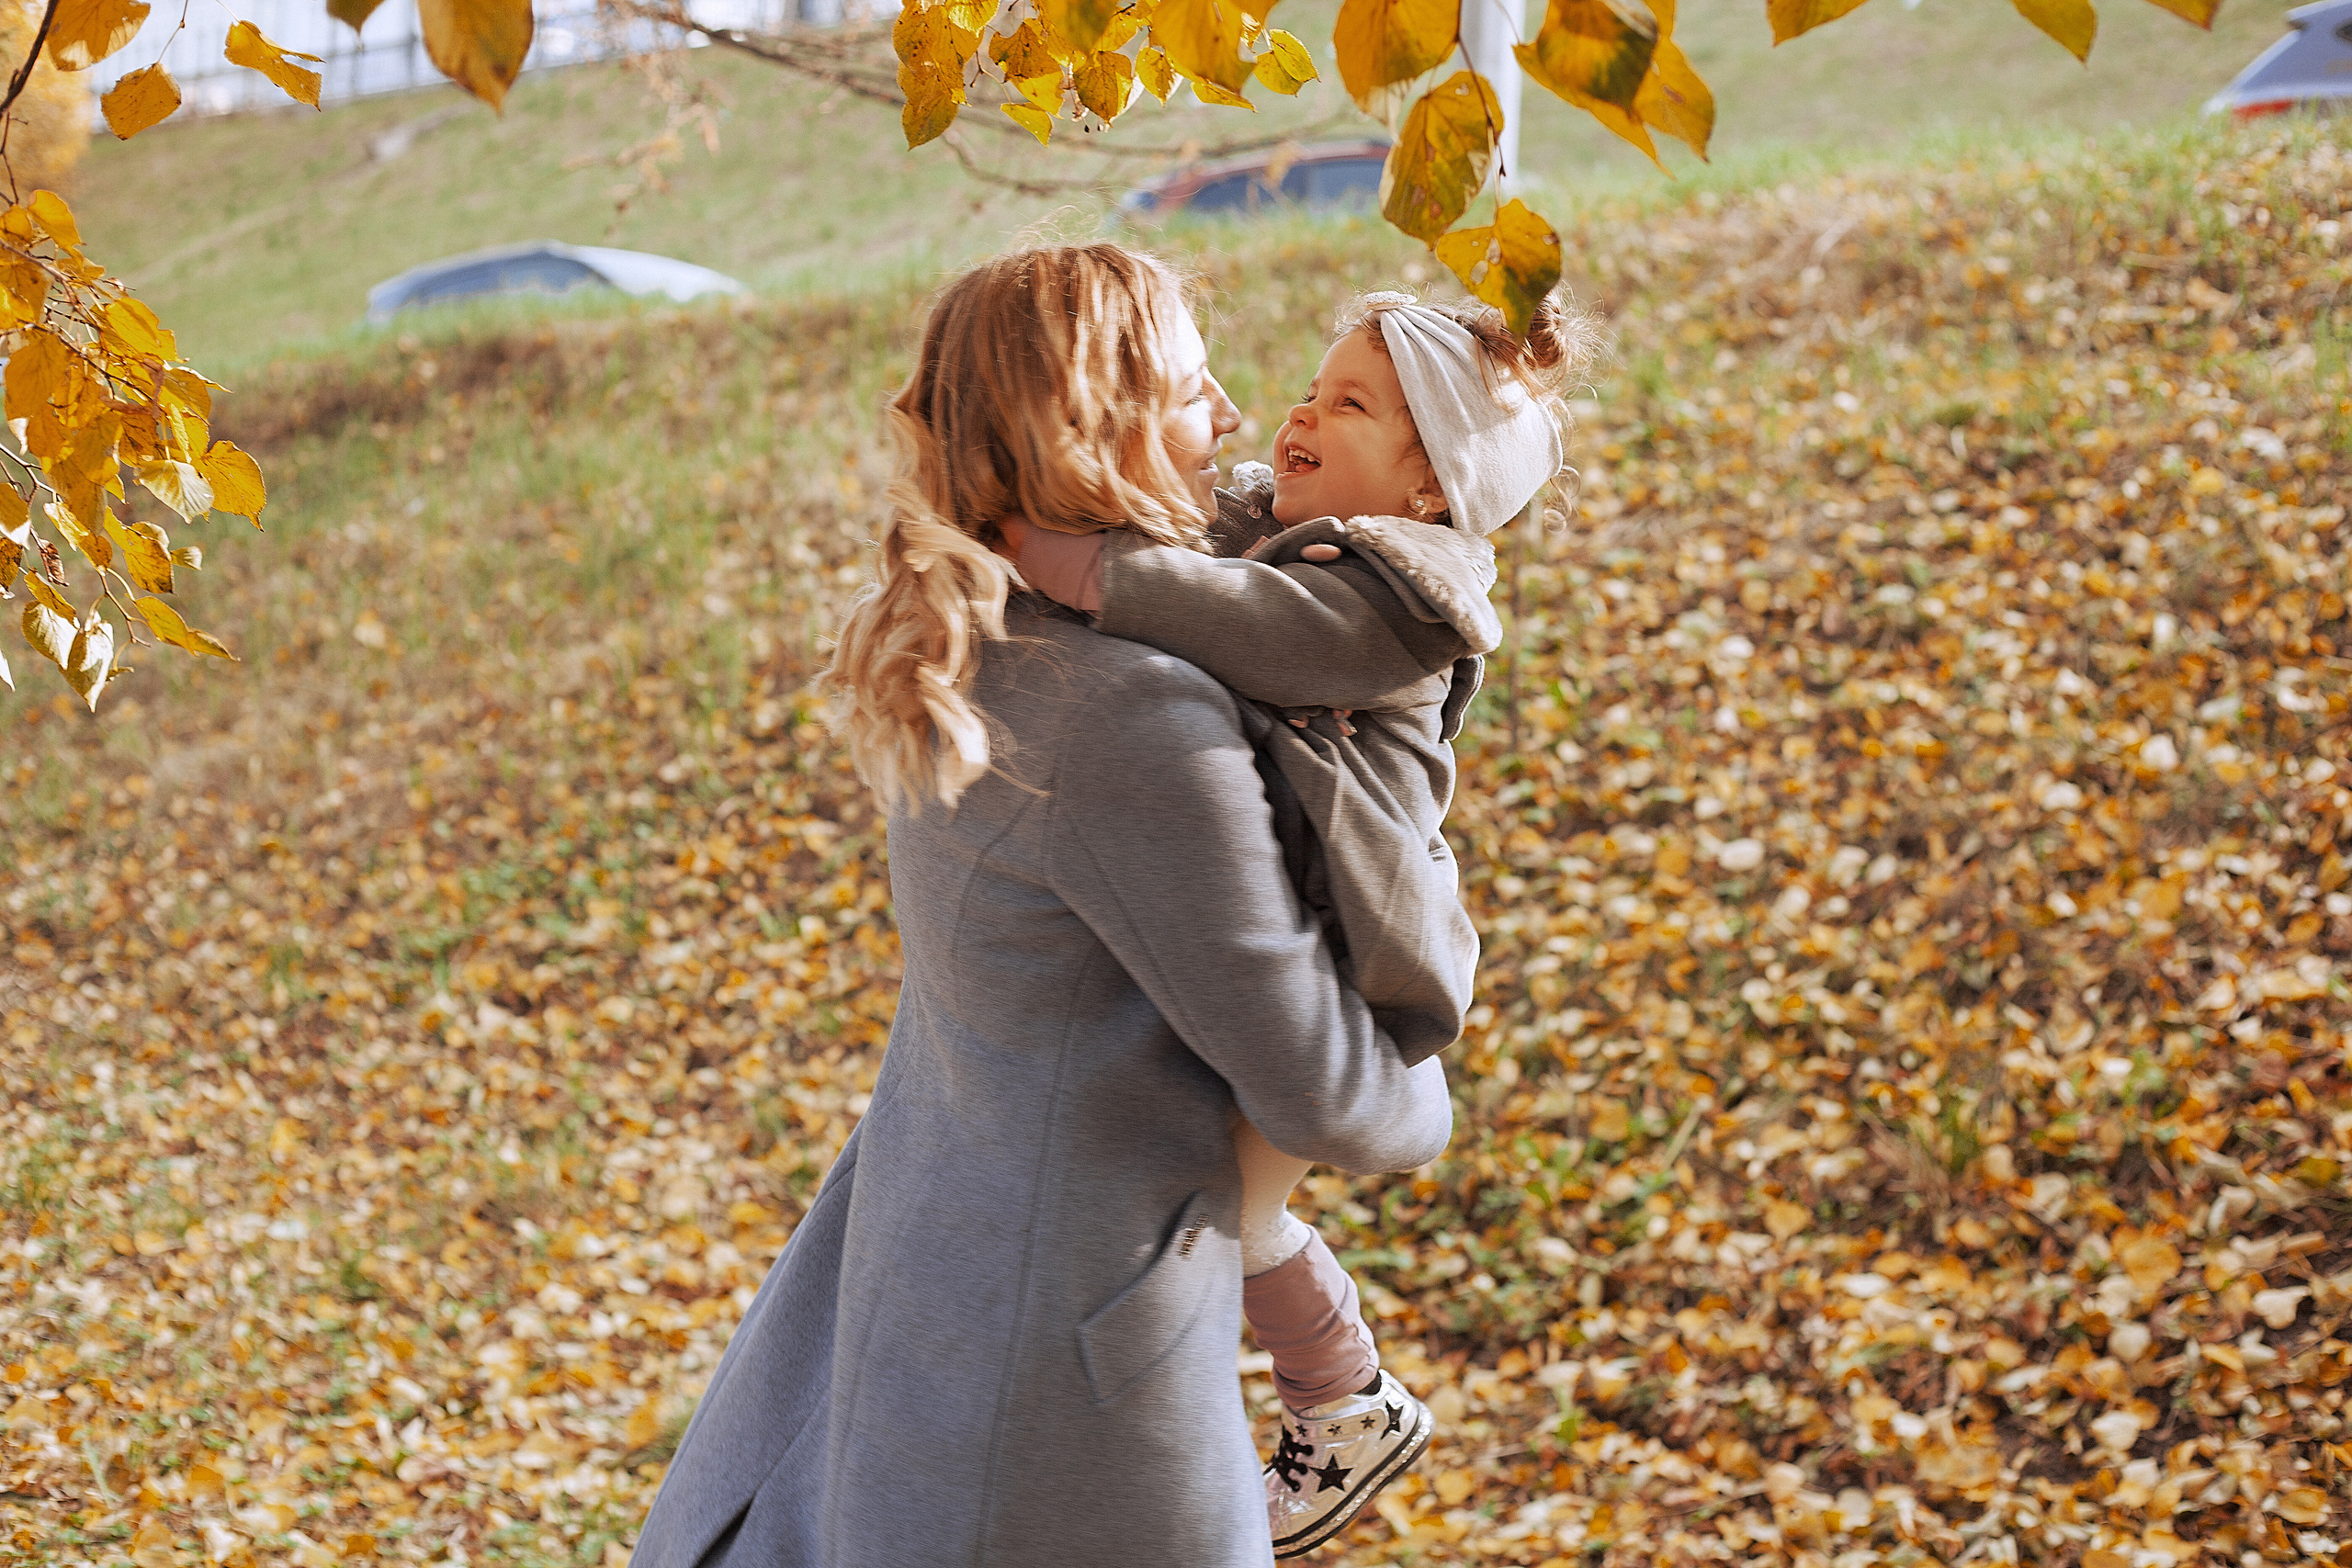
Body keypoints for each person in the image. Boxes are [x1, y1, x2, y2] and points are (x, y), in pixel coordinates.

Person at [626, 243, 1457, 1568]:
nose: (1237, 417)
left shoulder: (977, 646)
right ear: (1105, 424)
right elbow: (1326, 1094)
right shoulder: (1129, 716)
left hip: (925, 1284)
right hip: (1058, 1370)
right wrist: (1431, 1085)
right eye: (1195, 389)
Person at [1005, 287, 1590, 1555]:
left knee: (1241, 1210)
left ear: (1431, 488)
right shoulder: (1288, 528)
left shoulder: (1404, 599)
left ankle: (1343, 1407)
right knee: (1232, 1205)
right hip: (1306, 928)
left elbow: (1235, 618)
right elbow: (1188, 534)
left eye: (1352, 404)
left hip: (1364, 963)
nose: (1301, 413)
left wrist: (1082, 569)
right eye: (1314, 387)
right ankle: (1311, 1404)